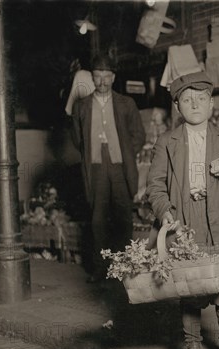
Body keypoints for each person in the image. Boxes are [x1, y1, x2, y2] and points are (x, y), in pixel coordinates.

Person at [146, 71, 219, 349]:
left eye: (201, 99)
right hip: (185, 221)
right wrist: (164, 210)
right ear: (177, 107)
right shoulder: (167, 141)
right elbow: (155, 185)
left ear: (211, 104)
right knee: (190, 286)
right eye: (187, 100)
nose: (195, 105)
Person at [72, 53, 146, 283]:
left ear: (113, 77)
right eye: (97, 76)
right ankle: (100, 269)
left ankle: (125, 268)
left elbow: (139, 136)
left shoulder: (126, 103)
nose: (102, 81)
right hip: (95, 168)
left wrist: (124, 151)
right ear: (91, 78)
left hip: (119, 168)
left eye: (107, 76)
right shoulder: (81, 106)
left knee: (123, 218)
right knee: (98, 219)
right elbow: (77, 139)